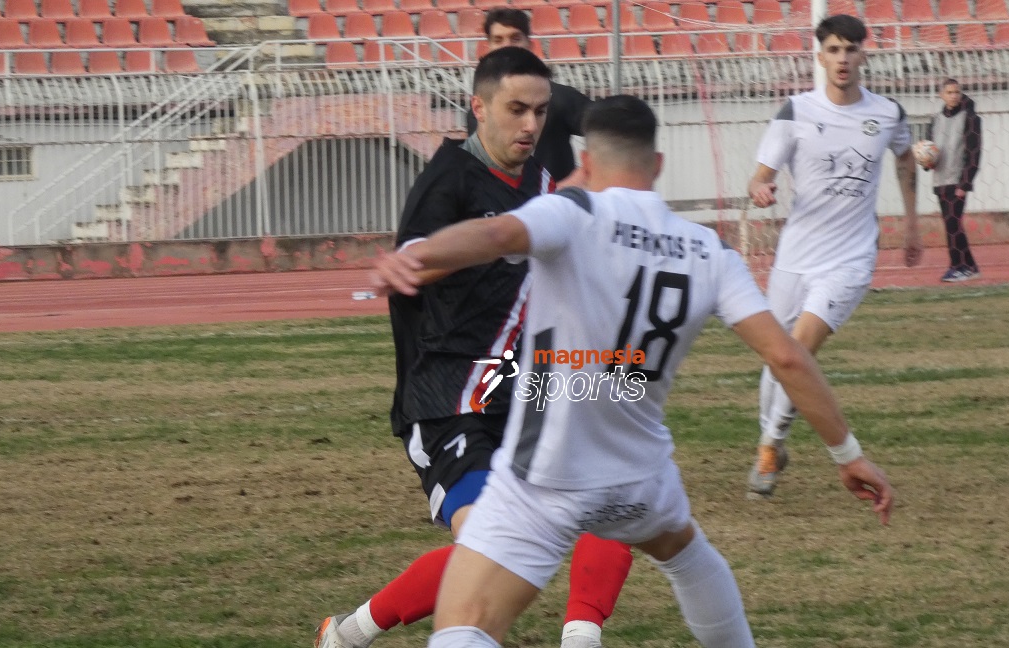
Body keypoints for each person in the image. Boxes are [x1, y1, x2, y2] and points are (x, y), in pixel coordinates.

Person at [371, 94, 896, 648]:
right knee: (689, 557)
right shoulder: (708, 249)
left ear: (587, 163)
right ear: (659, 164)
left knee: (464, 624)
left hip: (548, 476)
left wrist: (418, 255)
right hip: (642, 475)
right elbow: (787, 356)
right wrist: (848, 453)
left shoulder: (573, 213)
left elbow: (497, 235)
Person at [314, 47, 632, 648]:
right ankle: (350, 633)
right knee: (491, 545)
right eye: (517, 110)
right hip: (448, 396)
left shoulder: (538, 181)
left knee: (617, 492)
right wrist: (422, 261)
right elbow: (418, 259)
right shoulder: (449, 180)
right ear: (478, 108)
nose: (531, 125)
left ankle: (581, 637)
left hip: (522, 385)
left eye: (541, 111)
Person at [745, 14, 922, 498]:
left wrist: (911, 223)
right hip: (796, 255)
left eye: (851, 49)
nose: (843, 59)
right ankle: (772, 440)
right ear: (820, 56)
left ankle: (768, 446)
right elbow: (760, 175)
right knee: (778, 356)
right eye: (834, 50)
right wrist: (761, 189)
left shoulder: (887, 113)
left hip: (850, 258)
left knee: (799, 348)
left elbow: (905, 158)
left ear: (864, 53)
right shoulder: (795, 111)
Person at [466, 7, 592, 184]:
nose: (507, 46)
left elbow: (612, 131)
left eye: (515, 38)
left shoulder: (560, 98)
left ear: (530, 45)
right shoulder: (478, 112)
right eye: (498, 40)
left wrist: (577, 178)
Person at [925, 78, 982, 282]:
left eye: (957, 92)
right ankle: (970, 266)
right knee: (951, 224)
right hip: (940, 180)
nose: (953, 96)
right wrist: (926, 161)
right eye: (949, 92)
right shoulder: (935, 120)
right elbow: (930, 150)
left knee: (953, 224)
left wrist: (965, 183)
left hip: (957, 180)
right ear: (941, 95)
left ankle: (958, 266)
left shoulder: (970, 119)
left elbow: (974, 153)